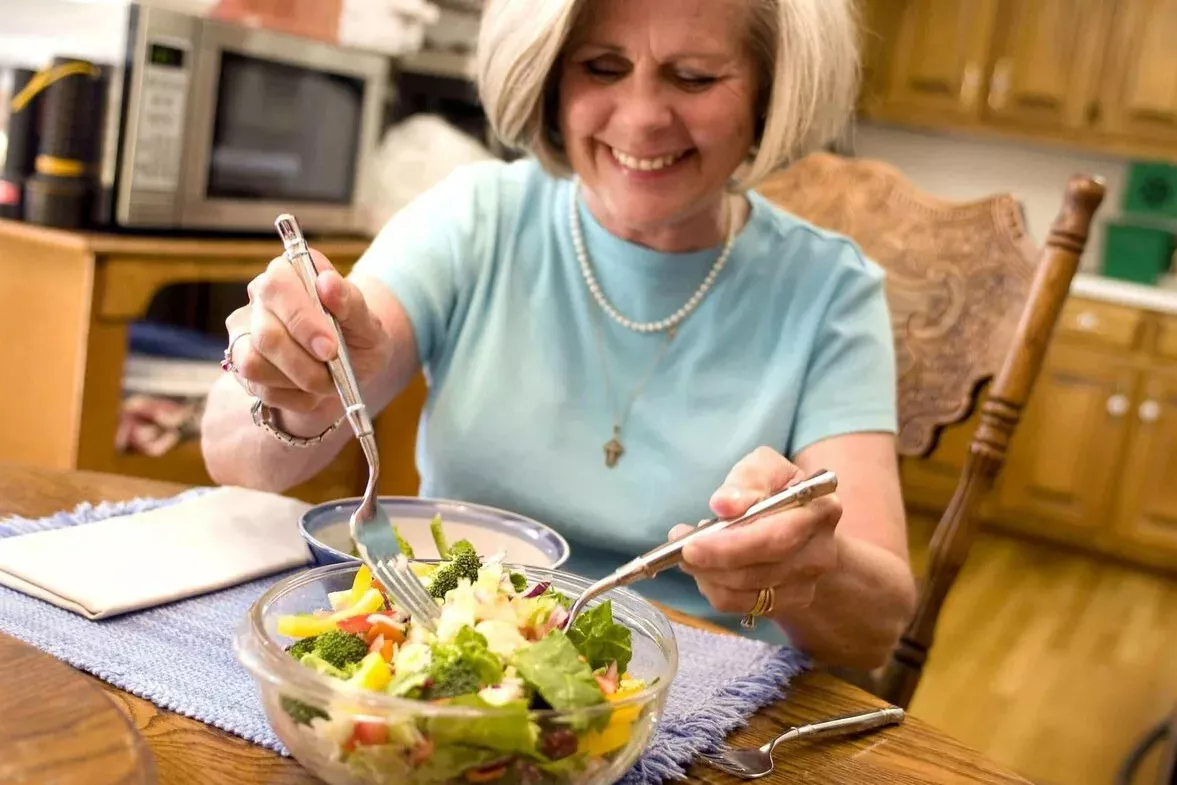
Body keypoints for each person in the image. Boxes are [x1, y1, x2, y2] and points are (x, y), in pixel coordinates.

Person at [201, 0, 917, 669]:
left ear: (771, 92)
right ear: (548, 79)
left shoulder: (829, 292)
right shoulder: (474, 219)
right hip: (450, 668)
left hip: (699, 700)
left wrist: (803, 565)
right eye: (602, 68)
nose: (640, 120)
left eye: (693, 78)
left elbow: (876, 628)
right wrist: (298, 380)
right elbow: (234, 454)